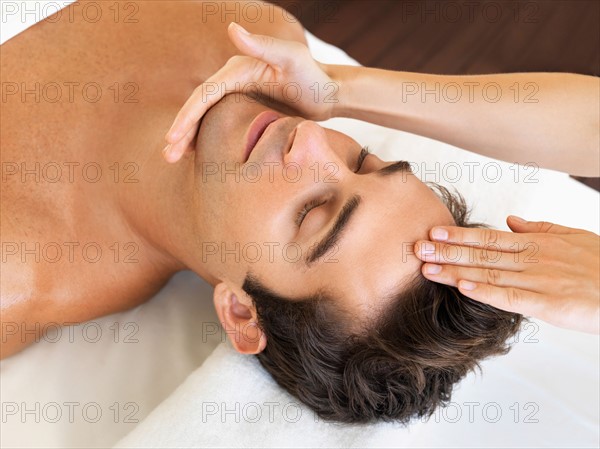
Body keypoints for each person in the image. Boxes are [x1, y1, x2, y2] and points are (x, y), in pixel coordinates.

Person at [1, 0, 597, 423]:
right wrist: (341, 87)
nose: (311, 142)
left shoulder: (17, 269)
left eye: (312, 211)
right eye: (363, 160)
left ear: (240, 311)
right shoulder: (247, 30)